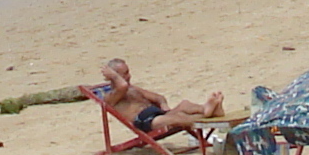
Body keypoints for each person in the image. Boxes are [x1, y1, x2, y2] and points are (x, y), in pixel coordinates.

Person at [92, 58, 224, 142]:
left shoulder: (133, 89)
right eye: (124, 74)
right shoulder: (111, 96)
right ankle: (209, 114)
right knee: (178, 117)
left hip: (157, 114)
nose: (129, 76)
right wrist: (114, 76)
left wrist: (165, 107)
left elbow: (158, 98)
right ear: (113, 76)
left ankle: (207, 109)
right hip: (146, 123)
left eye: (128, 72)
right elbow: (122, 86)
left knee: (185, 105)